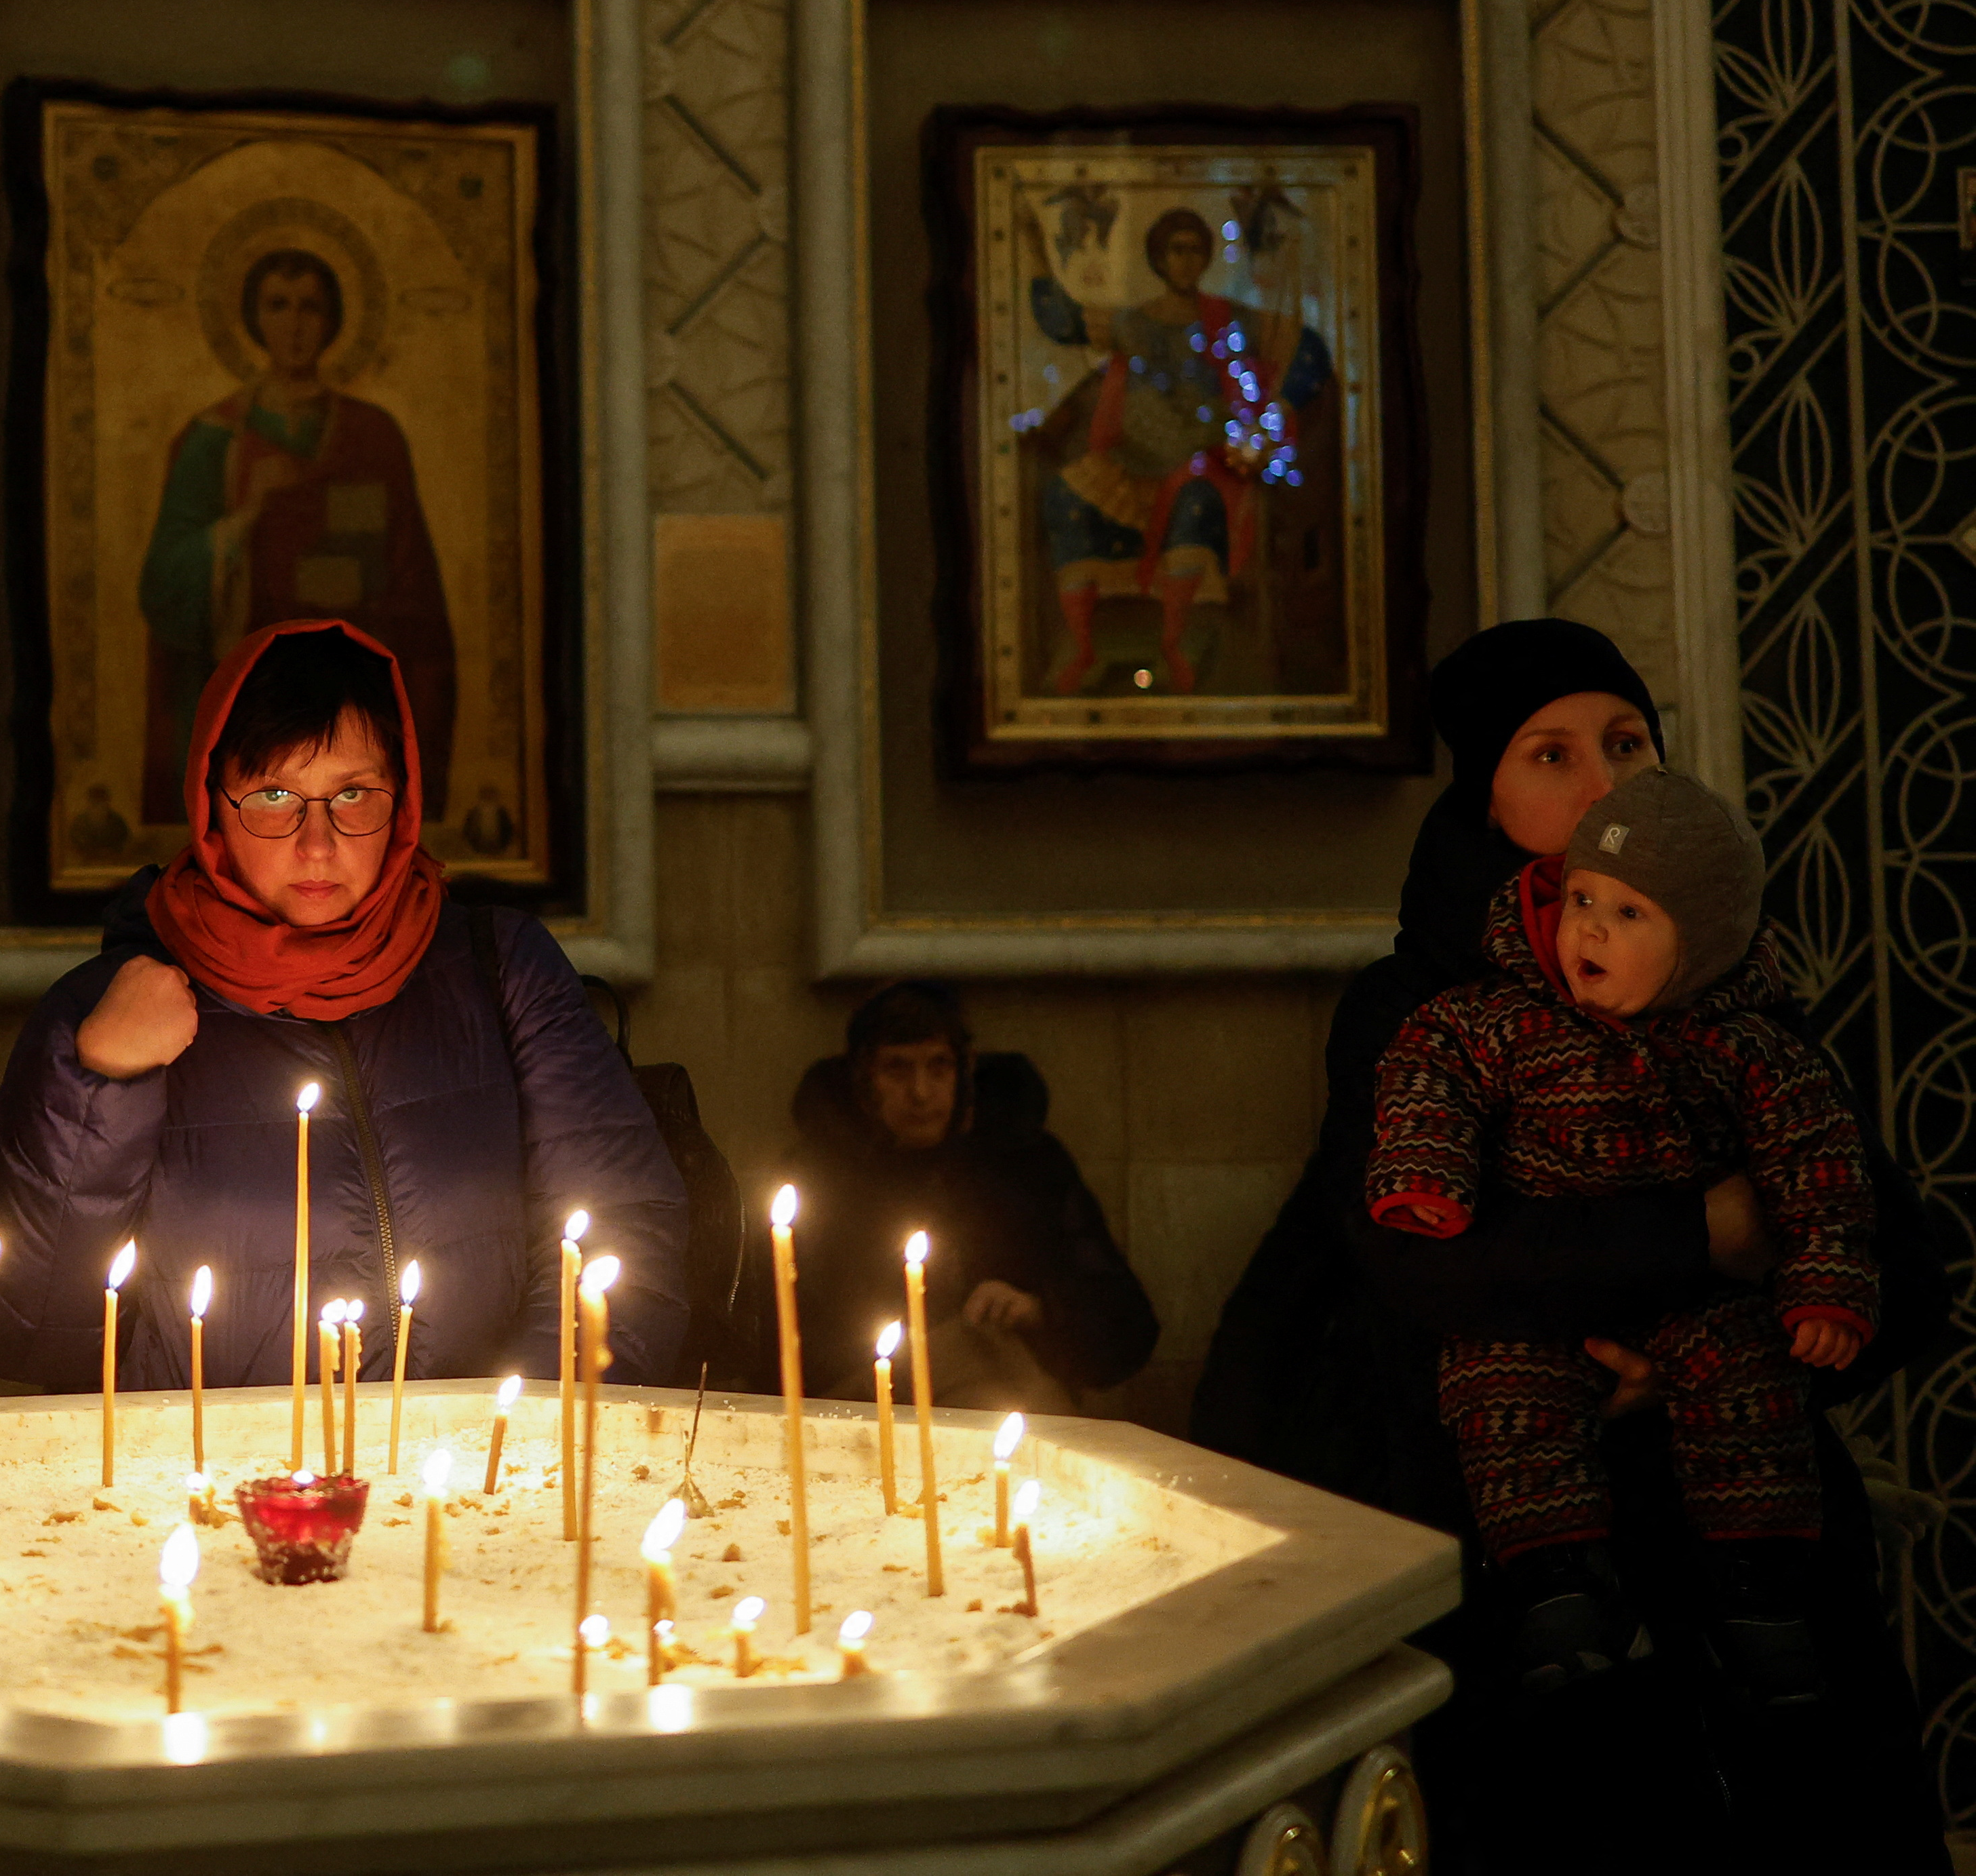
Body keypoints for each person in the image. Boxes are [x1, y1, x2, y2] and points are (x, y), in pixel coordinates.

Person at [1190, 619, 1949, 1874]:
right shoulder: (1413, 1008)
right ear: (1485, 797)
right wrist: (1695, 1234)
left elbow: (1897, 1268)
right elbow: (1420, 1259)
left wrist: (1723, 1357)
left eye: (1625, 741)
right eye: (1551, 754)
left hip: (1749, 1551)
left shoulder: (1740, 994)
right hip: (1516, 1543)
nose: (1603, 785)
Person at [0, 619, 685, 1403]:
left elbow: (627, 1246)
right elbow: (18, 1332)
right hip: (202, 1497)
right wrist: (102, 1086)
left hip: (475, 1498)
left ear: (403, 800)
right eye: (273, 796)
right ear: (212, 806)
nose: (317, 842)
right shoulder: (108, 1012)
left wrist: (506, 1440)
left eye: (354, 794)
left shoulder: (504, 973)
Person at [1368, 767, 1878, 1705]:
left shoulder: (1752, 1046)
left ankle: (1760, 1595)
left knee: (1752, 1384)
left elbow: (1819, 1161)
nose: (1589, 928)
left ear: (1705, 946)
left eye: (1630, 914)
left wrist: (1828, 1277)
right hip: (1543, 1295)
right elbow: (1429, 1070)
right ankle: (1559, 1588)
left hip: (1706, 1303)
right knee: (1500, 1387)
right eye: (1583, 900)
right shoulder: (1503, 1017)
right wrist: (1424, 1175)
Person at [137, 250, 457, 825]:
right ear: (252, 318)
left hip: (354, 701)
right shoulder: (214, 440)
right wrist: (245, 520)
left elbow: (415, 588)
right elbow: (162, 585)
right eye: (278, 305)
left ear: (334, 319)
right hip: (253, 706)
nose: (295, 323)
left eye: (310, 306)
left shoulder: (373, 436)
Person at [778, 983, 1156, 1412]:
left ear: (964, 1072)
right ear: (865, 1081)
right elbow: (782, 1326)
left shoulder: (1024, 1163)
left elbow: (1127, 1323)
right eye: (898, 1070)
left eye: (938, 1067)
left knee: (994, 1370)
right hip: (862, 1400)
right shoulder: (820, 1176)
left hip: (1008, 1394)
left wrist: (1036, 1309)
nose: (920, 1092)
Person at [1016, 194, 1336, 695]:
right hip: (1132, 464)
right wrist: (1033, 245)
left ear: (1206, 257)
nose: (1185, 259)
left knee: (1196, 505)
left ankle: (1174, 646)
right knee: (1065, 499)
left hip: (1206, 464)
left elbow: (1309, 349)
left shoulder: (1230, 319)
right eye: (1175, 250)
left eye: (1193, 249)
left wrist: (1272, 420)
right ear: (1159, 259)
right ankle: (1082, 648)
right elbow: (1059, 319)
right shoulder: (1132, 321)